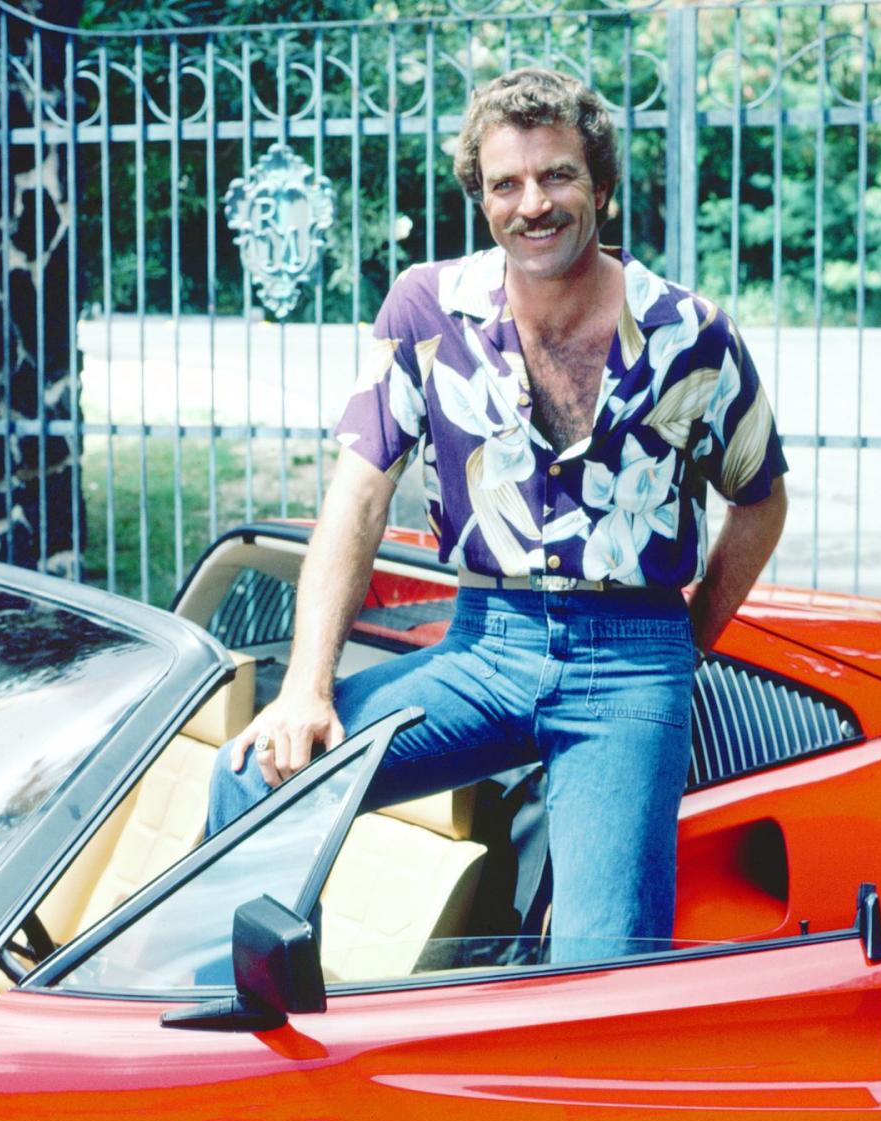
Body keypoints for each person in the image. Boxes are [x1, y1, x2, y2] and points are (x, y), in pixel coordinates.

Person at [208, 67, 788, 963]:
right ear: (480, 196)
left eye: (557, 175)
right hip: (486, 647)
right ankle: (254, 1034)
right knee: (256, 774)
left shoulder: (689, 333)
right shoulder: (426, 309)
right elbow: (357, 496)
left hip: (631, 664)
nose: (534, 204)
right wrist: (305, 688)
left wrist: (687, 643)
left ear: (600, 185)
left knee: (603, 970)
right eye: (506, 183)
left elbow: (760, 498)